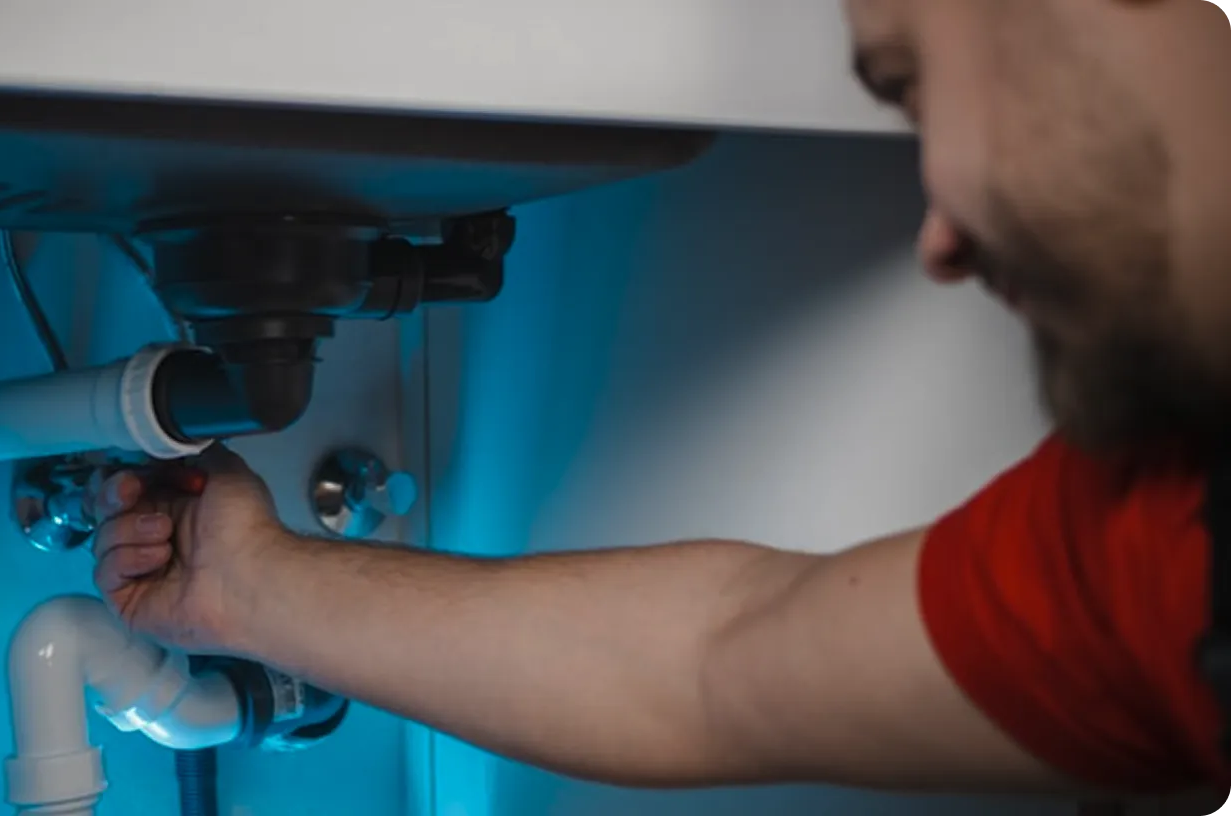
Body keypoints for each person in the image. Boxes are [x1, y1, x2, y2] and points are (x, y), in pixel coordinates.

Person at [86, 0, 1231, 797]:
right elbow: (715, 665)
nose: (937, 240)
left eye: (912, 82)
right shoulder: (1158, 552)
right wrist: (254, 587)